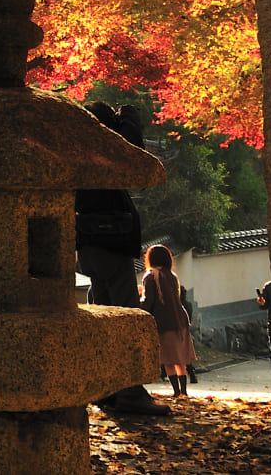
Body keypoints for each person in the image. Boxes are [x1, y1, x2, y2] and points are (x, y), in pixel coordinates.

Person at [77, 102, 168, 414]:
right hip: (110, 244)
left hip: (87, 245)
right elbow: (134, 154)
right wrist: (128, 115)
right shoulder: (101, 150)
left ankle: (108, 388)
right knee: (126, 317)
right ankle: (130, 392)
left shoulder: (74, 147)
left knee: (103, 318)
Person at [142, 243, 196, 397]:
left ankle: (176, 391)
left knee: (168, 358)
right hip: (180, 319)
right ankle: (184, 391)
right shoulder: (172, 276)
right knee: (180, 358)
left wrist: (140, 307)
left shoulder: (151, 275)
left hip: (163, 321)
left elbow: (149, 300)